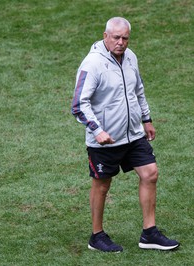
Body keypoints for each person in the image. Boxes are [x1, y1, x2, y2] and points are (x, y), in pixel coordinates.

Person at [71, 17, 179, 252]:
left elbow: (138, 90)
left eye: (125, 38)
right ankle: (96, 236)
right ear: (105, 36)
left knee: (150, 173)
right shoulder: (92, 64)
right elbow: (79, 104)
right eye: (116, 38)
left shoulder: (131, 57)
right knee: (102, 185)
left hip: (133, 135)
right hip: (105, 139)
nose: (121, 42)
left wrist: (146, 119)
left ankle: (149, 233)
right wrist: (97, 131)